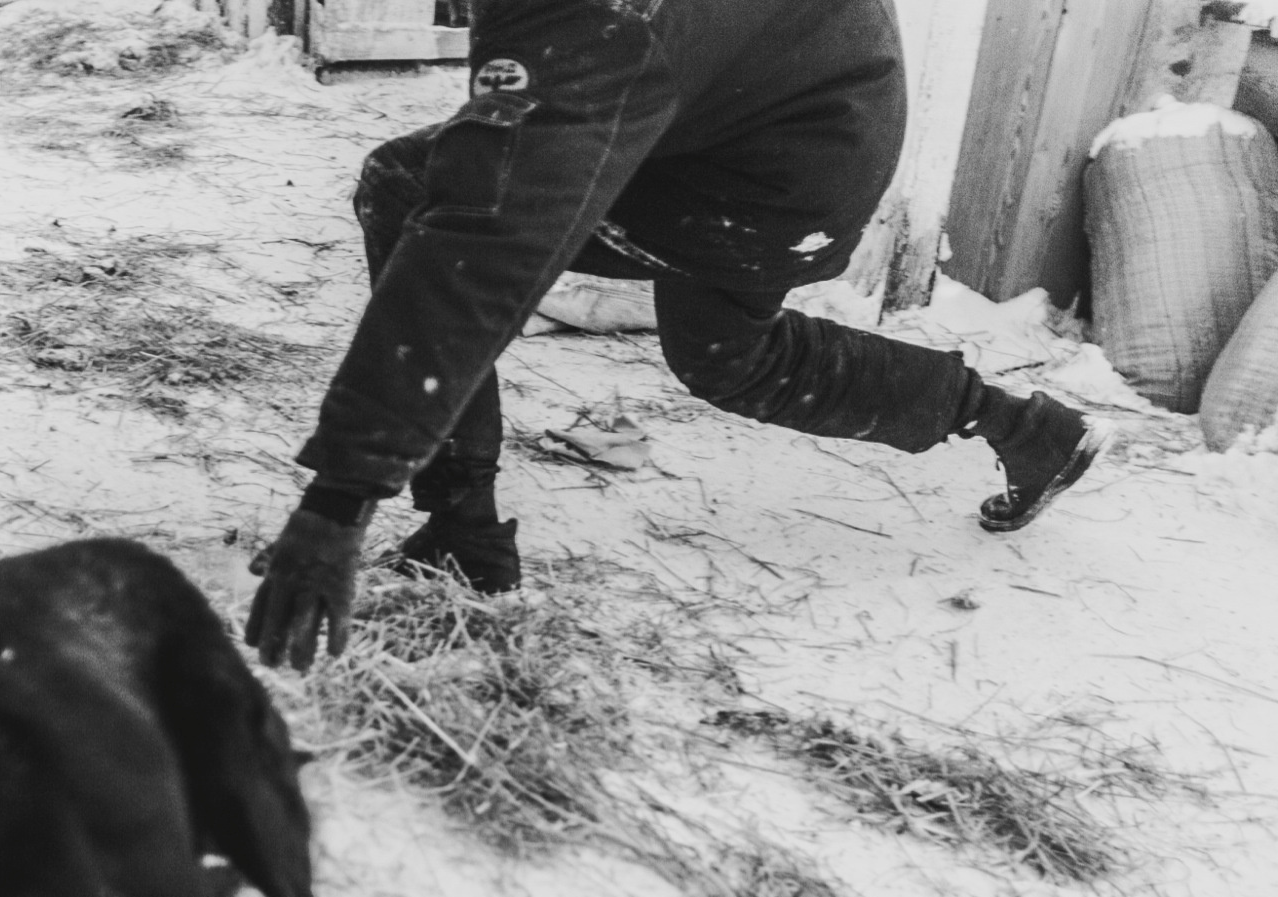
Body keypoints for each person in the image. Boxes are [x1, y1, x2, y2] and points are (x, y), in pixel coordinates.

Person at [246, 0, 1108, 671]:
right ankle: (1028, 430)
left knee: (423, 194)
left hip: (782, 151)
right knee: (730, 354)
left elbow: (489, 235)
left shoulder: (589, 22)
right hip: (772, 89)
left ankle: (464, 530)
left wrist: (339, 500)